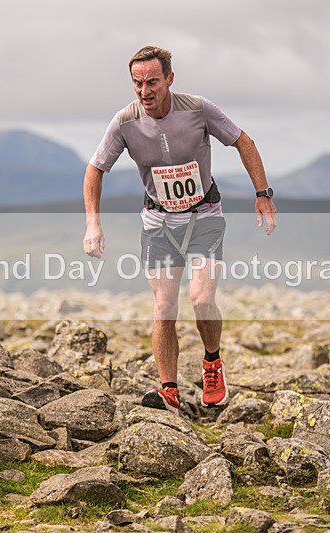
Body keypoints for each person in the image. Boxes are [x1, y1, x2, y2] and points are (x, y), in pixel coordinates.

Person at [83, 45, 276, 414]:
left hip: (204, 214)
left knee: (202, 299)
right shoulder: (124, 121)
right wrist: (93, 223)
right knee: (164, 307)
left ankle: (212, 363)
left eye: (152, 81)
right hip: (158, 220)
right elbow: (95, 169)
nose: (145, 91)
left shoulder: (198, 109)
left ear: (169, 79)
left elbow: (243, 141)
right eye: (137, 83)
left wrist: (263, 193)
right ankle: (169, 390)